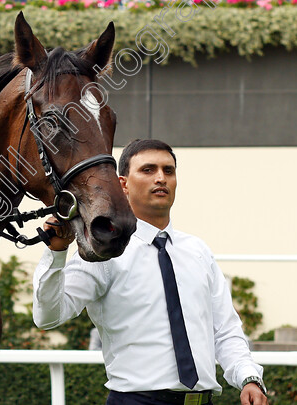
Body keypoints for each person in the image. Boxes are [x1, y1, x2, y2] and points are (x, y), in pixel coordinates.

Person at [33, 139, 268, 405]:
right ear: (123, 184)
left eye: (168, 171)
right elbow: (48, 317)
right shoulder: (105, 251)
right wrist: (56, 254)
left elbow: (225, 331)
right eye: (148, 170)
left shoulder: (198, 251)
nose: (161, 178)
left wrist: (249, 378)